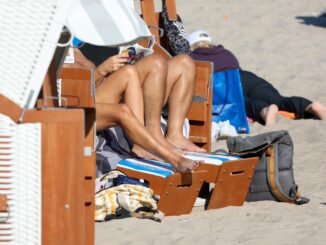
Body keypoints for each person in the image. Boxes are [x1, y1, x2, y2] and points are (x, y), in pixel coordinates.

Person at [71, 47, 203, 173]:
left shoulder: (70, 44)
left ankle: (175, 135)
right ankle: (145, 145)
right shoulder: (52, 49)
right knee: (130, 72)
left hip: (100, 87)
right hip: (82, 100)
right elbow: (70, 91)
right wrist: (102, 70)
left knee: (183, 62)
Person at [187, 30, 326, 125]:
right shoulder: (225, 52)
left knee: (242, 102)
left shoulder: (192, 58)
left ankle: (265, 111)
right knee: (280, 100)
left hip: (226, 82)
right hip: (247, 77)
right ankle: (310, 105)